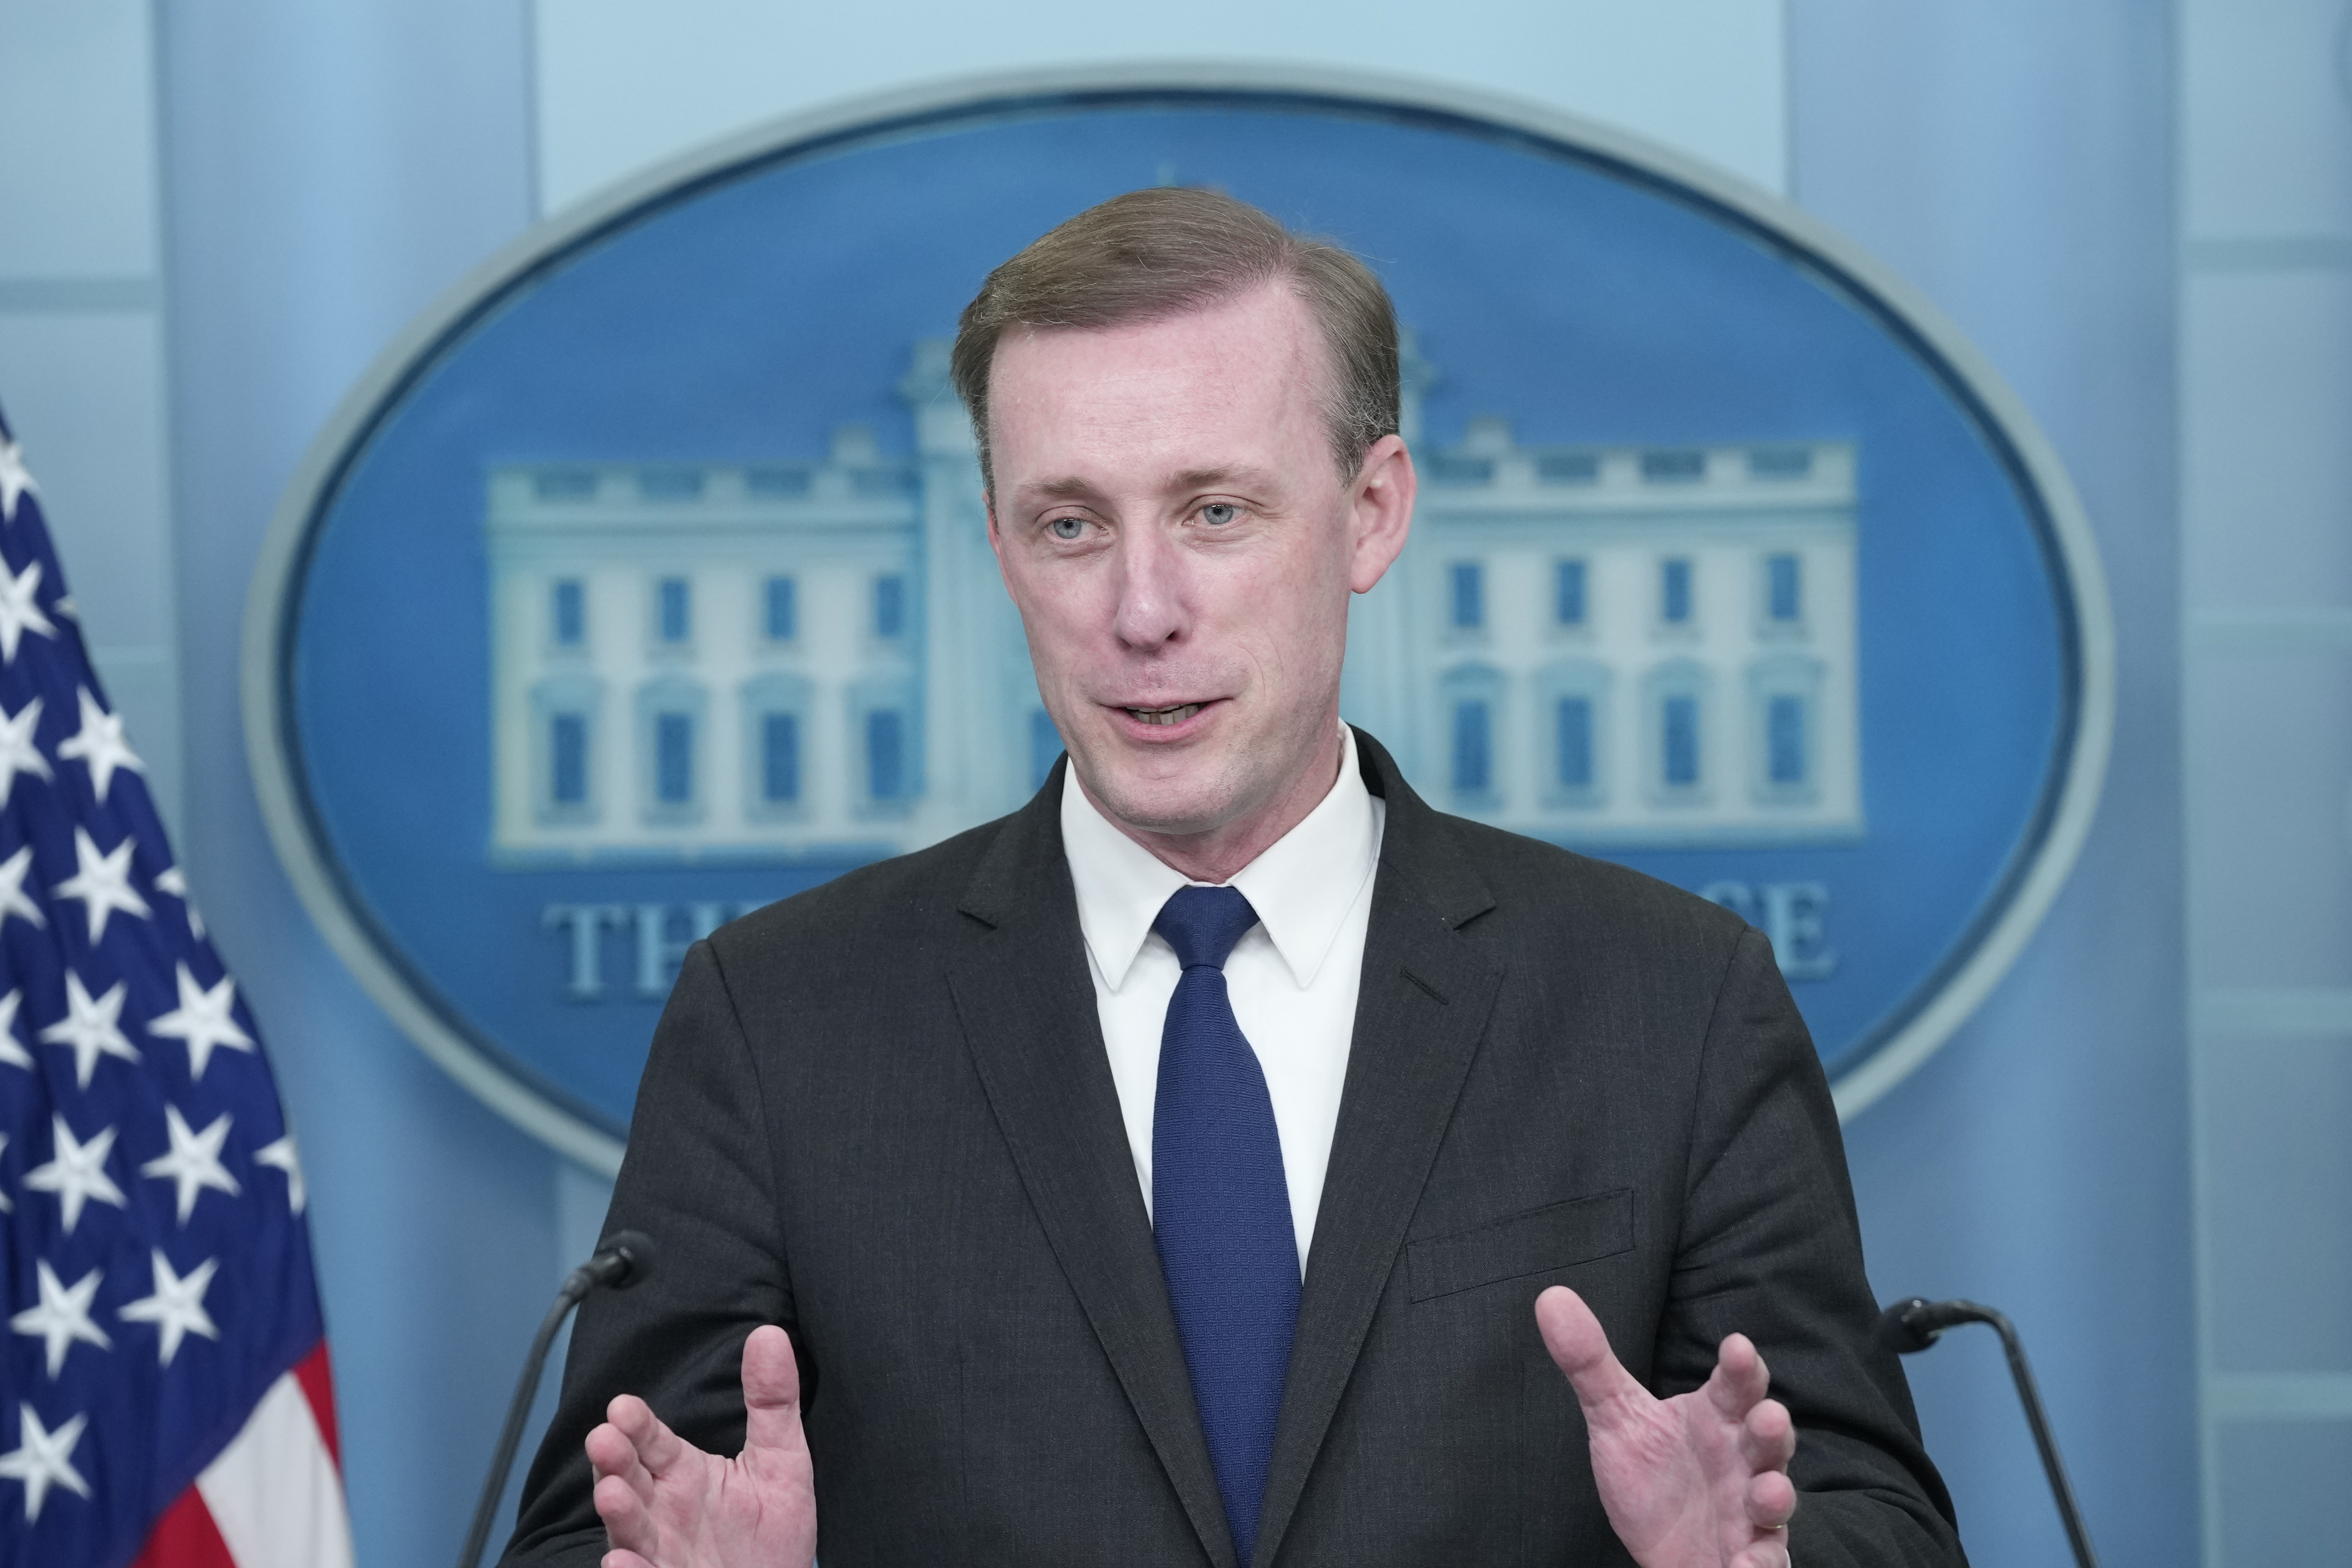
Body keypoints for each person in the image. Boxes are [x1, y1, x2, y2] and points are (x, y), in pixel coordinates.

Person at [504, 188, 1964, 1568]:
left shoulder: (1670, 1004)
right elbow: (601, 1529)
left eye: (1214, 511)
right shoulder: (780, 1022)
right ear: (1000, 545)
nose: (1140, 610)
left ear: (1372, 513)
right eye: (1068, 523)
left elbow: (1871, 1516)